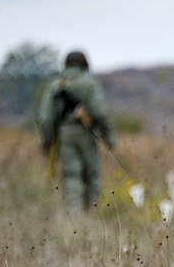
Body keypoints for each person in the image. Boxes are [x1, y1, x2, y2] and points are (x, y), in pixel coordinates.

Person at [37, 50, 116, 213]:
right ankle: (92, 215)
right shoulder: (90, 85)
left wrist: (46, 142)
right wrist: (108, 138)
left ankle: (75, 218)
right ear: (85, 65)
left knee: (71, 176)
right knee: (91, 177)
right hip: (87, 134)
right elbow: (100, 113)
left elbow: (45, 118)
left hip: (64, 136)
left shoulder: (55, 85)